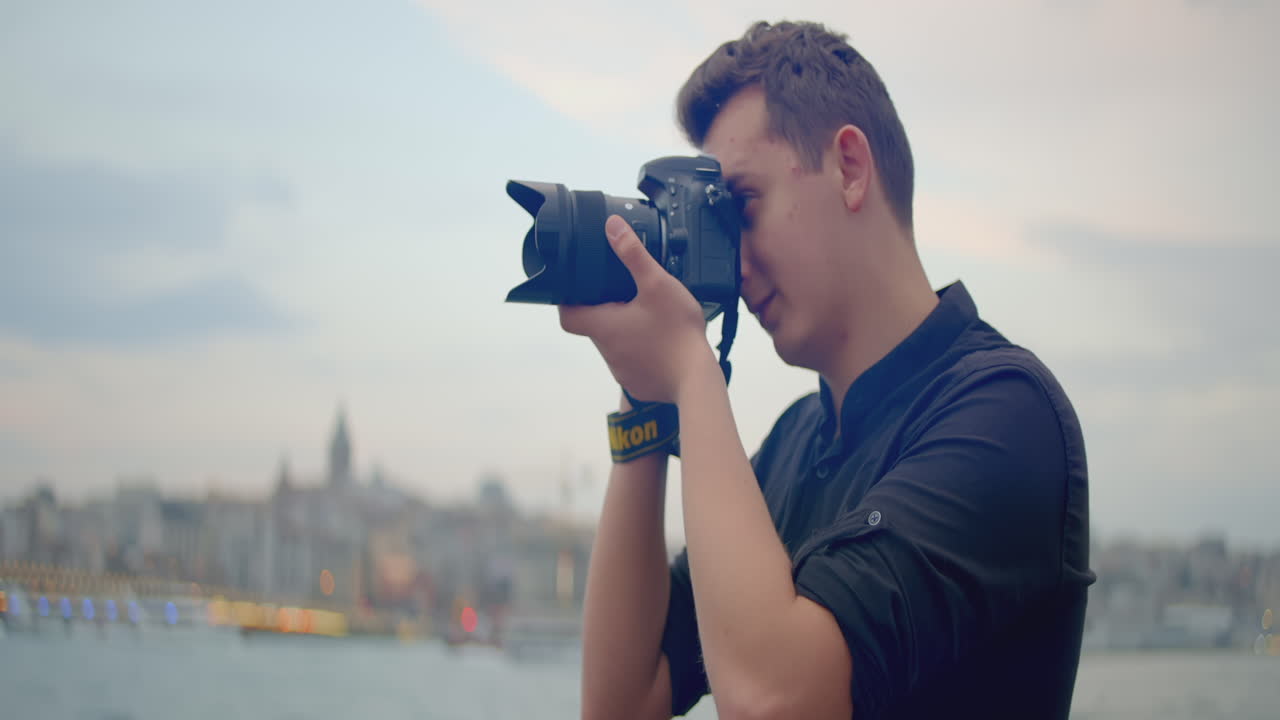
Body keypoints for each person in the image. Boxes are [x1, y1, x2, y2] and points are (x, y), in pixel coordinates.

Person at [560, 20, 1094, 720]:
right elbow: (622, 703)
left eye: (739, 208)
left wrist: (691, 371)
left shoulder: (1007, 417)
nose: (731, 262)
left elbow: (776, 703)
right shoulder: (793, 446)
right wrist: (647, 404)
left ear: (849, 167)